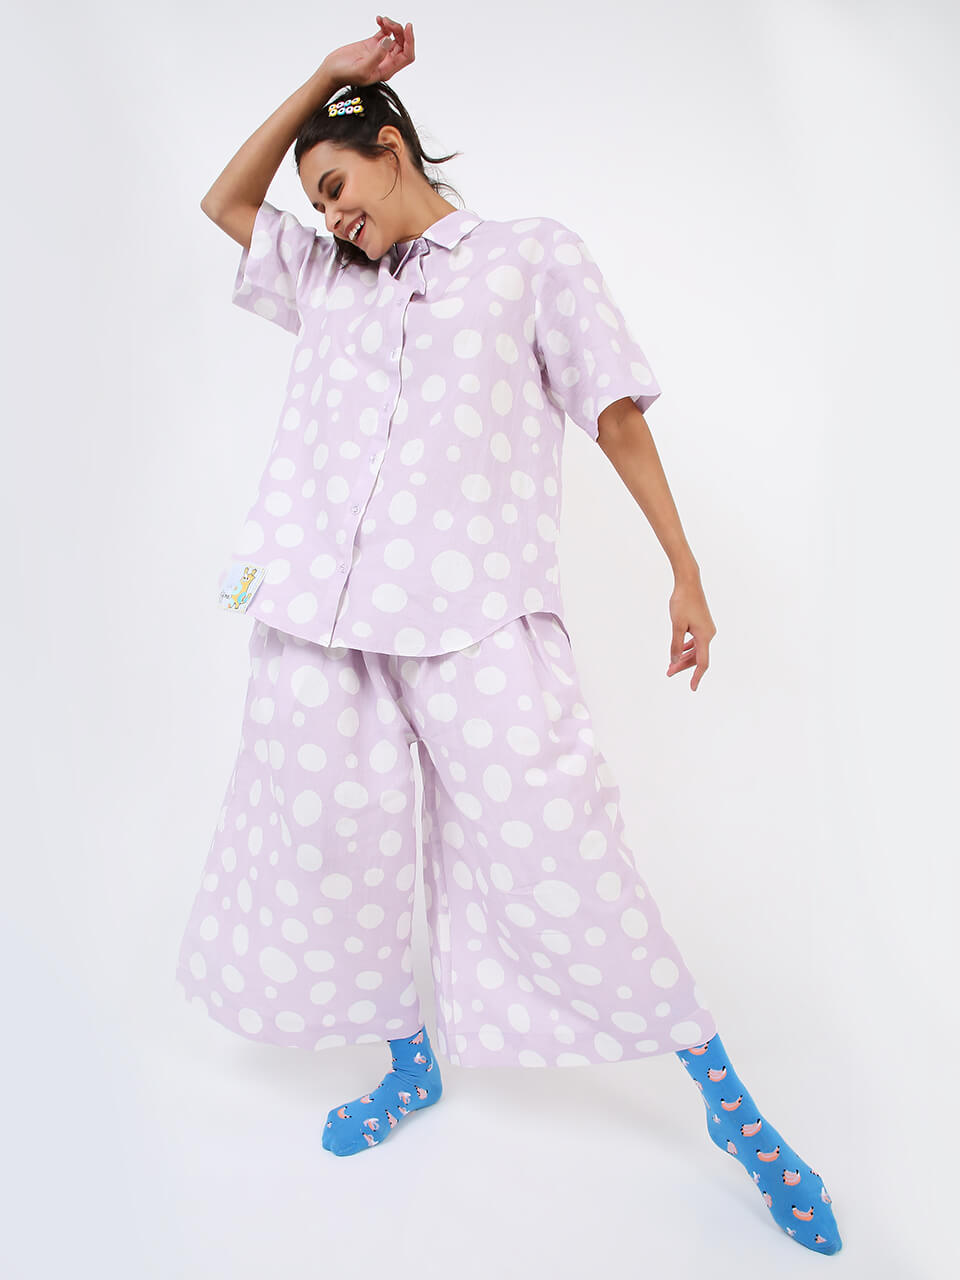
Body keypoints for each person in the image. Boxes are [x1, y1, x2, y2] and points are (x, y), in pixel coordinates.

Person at [176, 15, 842, 1256]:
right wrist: (321, 80)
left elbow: (615, 412)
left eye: (337, 186)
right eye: (315, 203)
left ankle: (733, 1109)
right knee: (333, 842)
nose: (329, 218)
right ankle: (408, 1058)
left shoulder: (530, 258)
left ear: (391, 149)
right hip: (317, 613)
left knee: (564, 850)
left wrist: (685, 568)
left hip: (476, 612)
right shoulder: (325, 278)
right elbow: (223, 202)